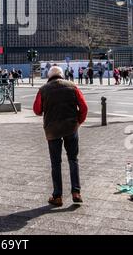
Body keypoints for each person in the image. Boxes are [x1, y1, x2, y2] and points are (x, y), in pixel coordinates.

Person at [33, 66, 88, 207]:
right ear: (62, 75)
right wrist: (78, 122)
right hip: (71, 127)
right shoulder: (73, 86)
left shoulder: (43, 90)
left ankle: (57, 196)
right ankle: (76, 192)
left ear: (49, 76)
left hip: (52, 130)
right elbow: (84, 107)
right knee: (73, 159)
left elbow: (37, 110)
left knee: (55, 163)